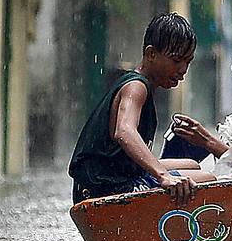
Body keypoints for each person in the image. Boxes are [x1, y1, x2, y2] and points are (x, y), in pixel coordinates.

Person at [68, 13, 216, 206]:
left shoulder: (142, 85)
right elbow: (124, 131)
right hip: (103, 189)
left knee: (192, 165)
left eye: (188, 61)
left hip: (108, 178)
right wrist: (163, 176)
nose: (183, 69)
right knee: (208, 181)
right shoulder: (136, 87)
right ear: (151, 54)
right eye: (176, 60)